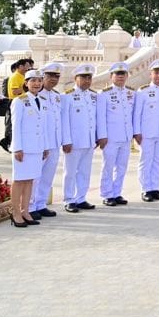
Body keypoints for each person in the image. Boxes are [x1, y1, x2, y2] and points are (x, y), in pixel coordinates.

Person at [10, 69, 48, 227]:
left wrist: (45, 147)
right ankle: (15, 213)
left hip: (36, 147)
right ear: (26, 83)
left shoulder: (42, 100)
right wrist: (17, 148)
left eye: (39, 80)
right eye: (33, 80)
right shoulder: (19, 101)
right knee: (19, 180)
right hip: (23, 148)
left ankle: (25, 210)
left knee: (30, 180)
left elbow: (43, 126)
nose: (37, 83)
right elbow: (16, 126)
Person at [60, 64, 99, 213]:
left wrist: (95, 137)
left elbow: (94, 119)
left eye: (89, 78)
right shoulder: (67, 96)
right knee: (70, 172)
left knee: (85, 171)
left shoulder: (93, 96)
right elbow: (65, 121)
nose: (87, 80)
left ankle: (81, 198)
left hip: (88, 141)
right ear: (75, 78)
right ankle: (69, 199)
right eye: (83, 77)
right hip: (73, 141)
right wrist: (66, 140)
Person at [96, 62, 135, 206]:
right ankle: (107, 194)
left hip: (125, 136)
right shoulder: (104, 94)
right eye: (117, 74)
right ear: (111, 76)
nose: (120, 77)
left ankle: (117, 192)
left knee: (122, 167)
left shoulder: (131, 93)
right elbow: (100, 117)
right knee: (108, 166)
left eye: (123, 74)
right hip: (110, 137)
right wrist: (102, 136)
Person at [29, 63, 64, 220]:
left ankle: (41, 204)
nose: (53, 79)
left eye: (56, 77)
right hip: (41, 143)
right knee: (35, 176)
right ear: (42, 77)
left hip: (54, 143)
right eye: (50, 76)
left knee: (48, 176)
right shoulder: (36, 96)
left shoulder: (56, 96)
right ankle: (30, 206)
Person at [134, 59, 159, 202]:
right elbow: (137, 113)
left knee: (157, 161)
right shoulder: (143, 91)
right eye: (156, 73)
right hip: (147, 133)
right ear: (151, 74)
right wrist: (137, 132)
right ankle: (146, 189)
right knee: (146, 161)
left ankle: (155, 188)